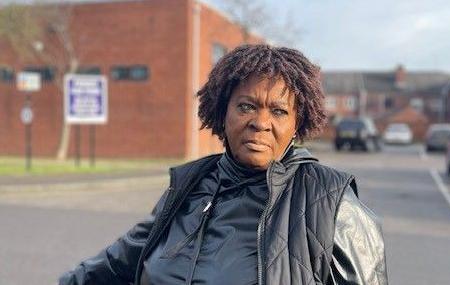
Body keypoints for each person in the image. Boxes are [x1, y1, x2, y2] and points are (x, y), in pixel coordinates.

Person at [59, 44, 388, 285]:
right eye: (246, 106)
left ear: (297, 123)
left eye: (278, 111)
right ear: (223, 112)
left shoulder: (329, 200)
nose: (260, 122)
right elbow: (116, 263)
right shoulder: (189, 185)